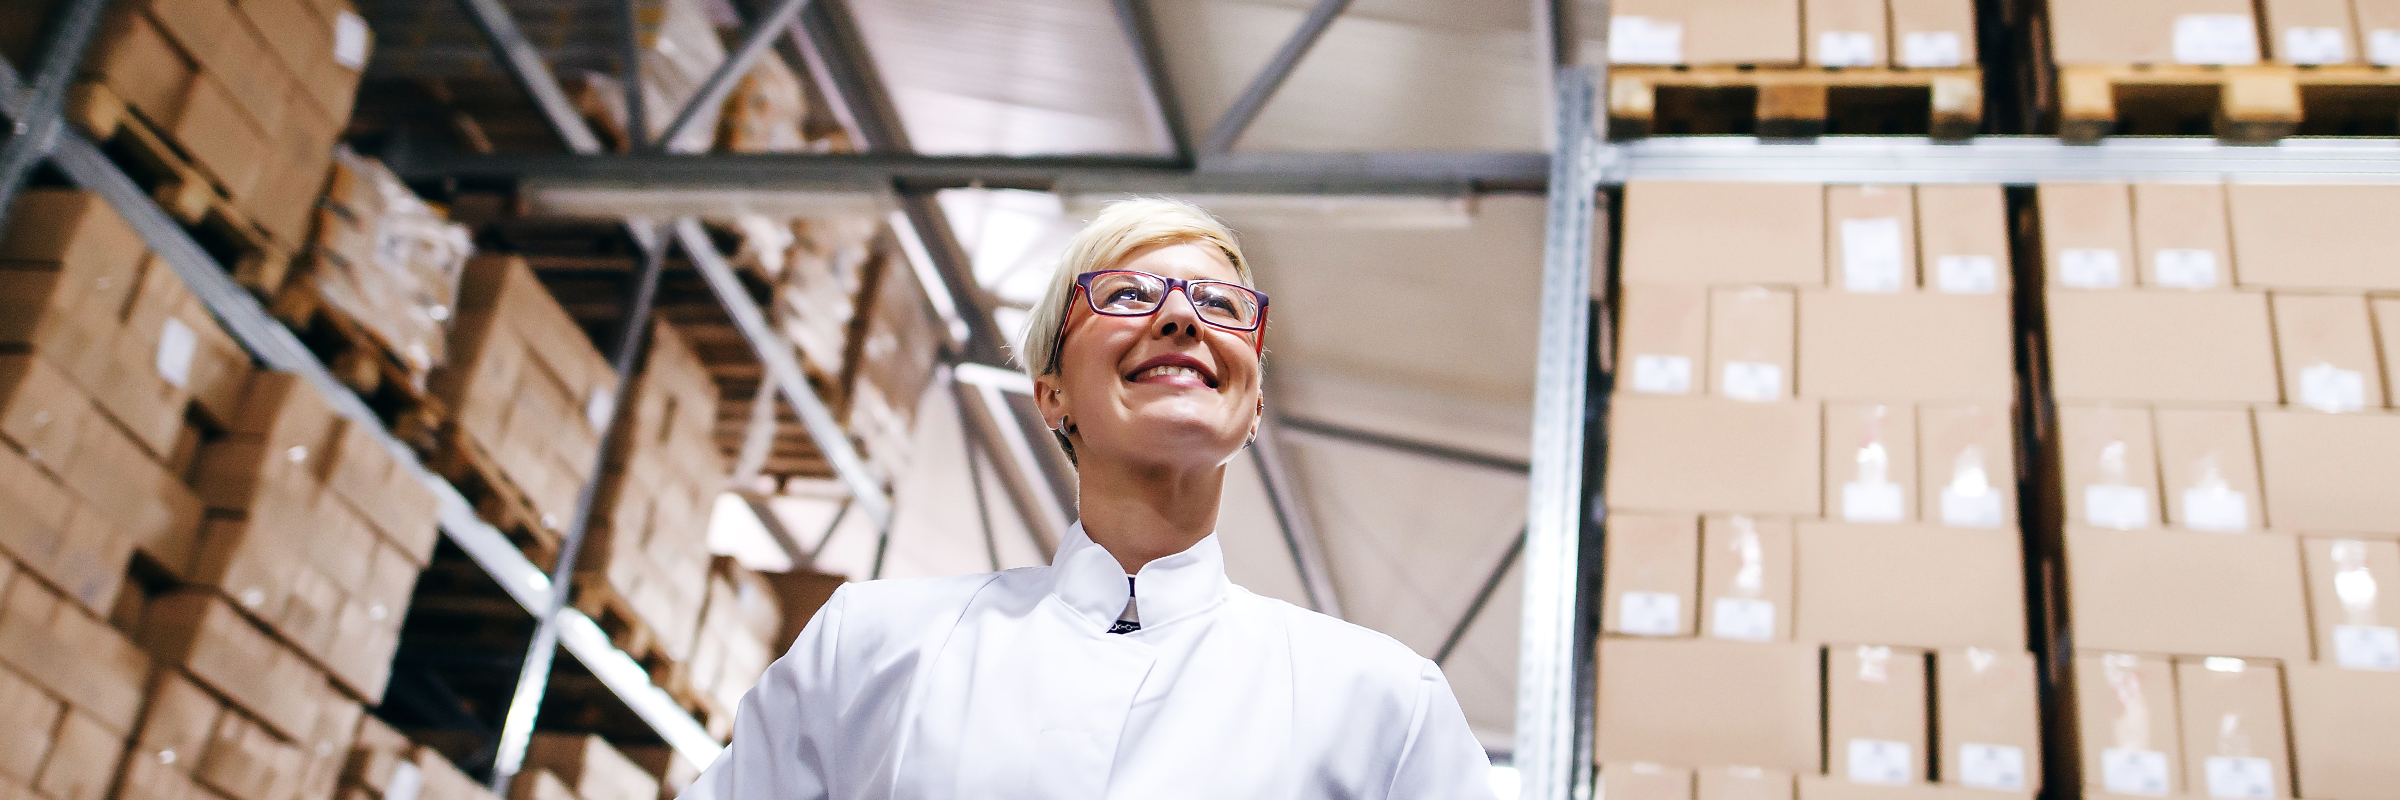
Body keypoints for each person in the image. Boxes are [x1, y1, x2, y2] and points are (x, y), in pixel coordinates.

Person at [681, 198, 1497, 799]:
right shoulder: (871, 648)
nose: (1182, 316)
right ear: (1052, 395)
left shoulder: (1382, 700)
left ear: (1251, 409)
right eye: (1131, 296)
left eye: (1219, 306)